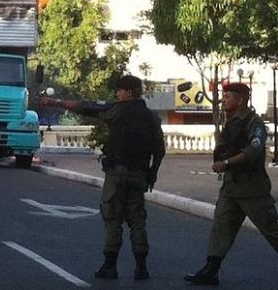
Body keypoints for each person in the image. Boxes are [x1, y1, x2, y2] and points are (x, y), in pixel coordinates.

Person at [40, 75, 165, 280]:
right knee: (137, 219)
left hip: (116, 173)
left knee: (113, 218)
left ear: (129, 92)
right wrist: (153, 173)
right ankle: (141, 267)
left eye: (120, 90)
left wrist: (56, 102)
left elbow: (86, 107)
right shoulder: (151, 117)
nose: (118, 93)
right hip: (140, 173)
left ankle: (110, 265)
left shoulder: (116, 111)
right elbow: (159, 150)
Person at [184, 82, 278, 285]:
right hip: (231, 187)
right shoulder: (231, 122)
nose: (223, 100)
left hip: (252, 189)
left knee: (272, 230)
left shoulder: (254, 123)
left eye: (227, 97)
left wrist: (226, 162)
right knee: (221, 227)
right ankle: (211, 270)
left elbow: (253, 151)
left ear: (240, 100)